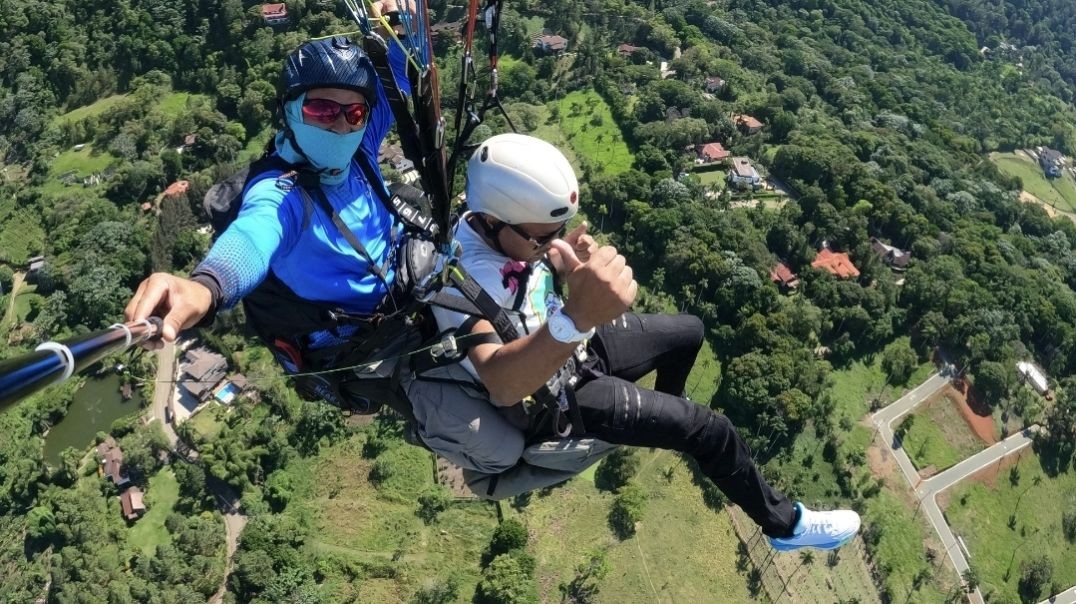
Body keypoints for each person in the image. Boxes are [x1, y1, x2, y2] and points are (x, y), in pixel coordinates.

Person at [408, 133, 861, 551]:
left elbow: (529, 283)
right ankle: (785, 526)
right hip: (554, 394)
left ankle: (668, 414)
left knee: (690, 332)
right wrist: (578, 313)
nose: (551, 243)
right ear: (493, 220)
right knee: (712, 431)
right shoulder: (458, 280)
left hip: (572, 340)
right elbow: (503, 385)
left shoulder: (504, 234)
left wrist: (565, 265)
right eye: (543, 236)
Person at [125, 13, 429, 410]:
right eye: (321, 111)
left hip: (406, 288)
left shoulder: (362, 147)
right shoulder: (281, 192)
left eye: (353, 113)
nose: (340, 126)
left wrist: (405, 21)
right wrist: (205, 287)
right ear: (288, 111)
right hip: (364, 341)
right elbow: (254, 235)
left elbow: (407, 70)